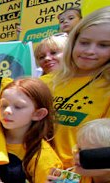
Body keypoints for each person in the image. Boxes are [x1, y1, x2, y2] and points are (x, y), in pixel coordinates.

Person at [42, 7, 110, 168]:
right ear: (73, 41)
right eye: (84, 42)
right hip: (37, 180)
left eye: (103, 45)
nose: (90, 51)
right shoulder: (45, 82)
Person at [0, 78, 62, 183]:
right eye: (3, 105)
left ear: (38, 114)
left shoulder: (45, 157)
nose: (7, 111)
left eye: (18, 107)